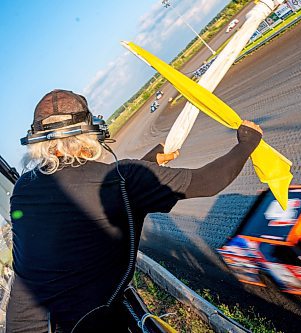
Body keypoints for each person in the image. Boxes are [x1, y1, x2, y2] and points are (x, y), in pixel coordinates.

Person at [6, 89, 262, 332]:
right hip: (94, 323)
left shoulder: (23, 191)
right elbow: (208, 181)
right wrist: (246, 144)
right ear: (89, 133)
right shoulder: (120, 179)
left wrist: (148, 163)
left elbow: (92, 190)